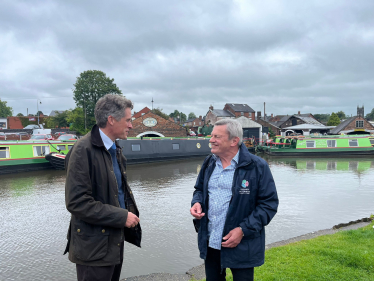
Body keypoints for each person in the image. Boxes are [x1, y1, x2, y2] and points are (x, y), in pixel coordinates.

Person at [64, 94, 141, 281]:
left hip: (113, 239)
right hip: (93, 250)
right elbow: (77, 202)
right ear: (111, 120)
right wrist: (122, 216)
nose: (131, 126)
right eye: (128, 120)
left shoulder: (115, 149)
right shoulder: (83, 150)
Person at [190, 119, 278, 281]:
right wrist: (197, 203)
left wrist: (243, 230)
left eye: (217, 136)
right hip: (211, 241)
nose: (211, 140)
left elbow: (268, 205)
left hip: (242, 244)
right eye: (211, 135)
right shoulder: (209, 162)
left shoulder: (257, 166)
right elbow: (199, 190)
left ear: (234, 141)